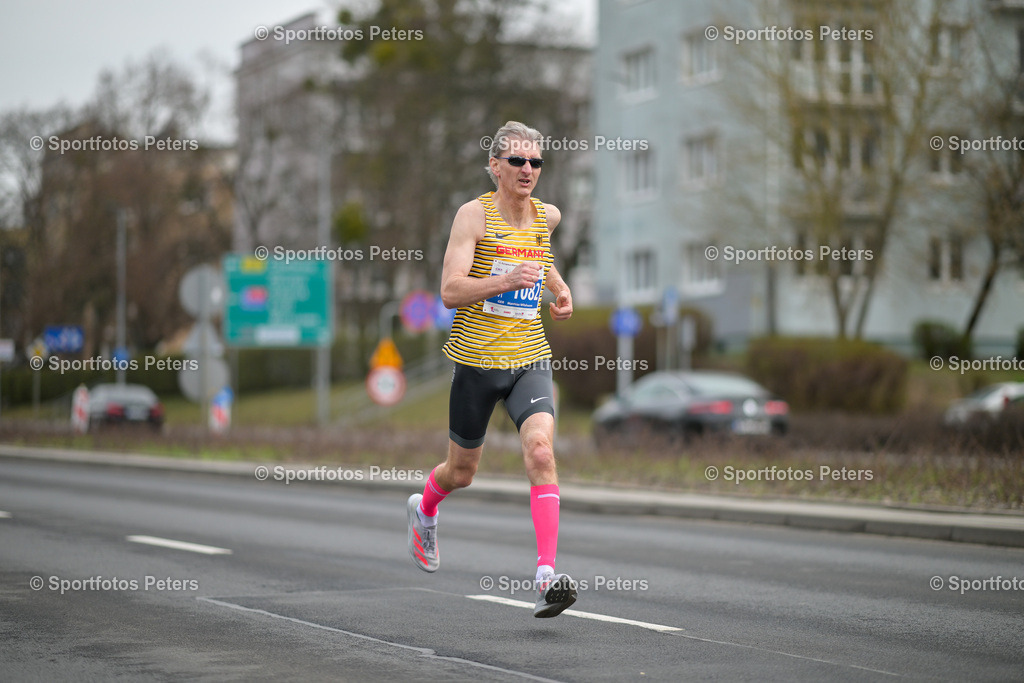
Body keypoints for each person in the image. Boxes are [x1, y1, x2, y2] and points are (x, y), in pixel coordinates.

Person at [407, 121, 577, 618]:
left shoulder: (547, 216)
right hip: (478, 362)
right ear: (494, 166)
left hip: (529, 358)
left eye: (536, 162)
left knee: (542, 452)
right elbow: (450, 291)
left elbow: (539, 262)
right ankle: (425, 509)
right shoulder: (473, 216)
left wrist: (560, 289)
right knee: (462, 472)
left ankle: (546, 575)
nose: (528, 170)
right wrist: (503, 281)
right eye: (518, 162)